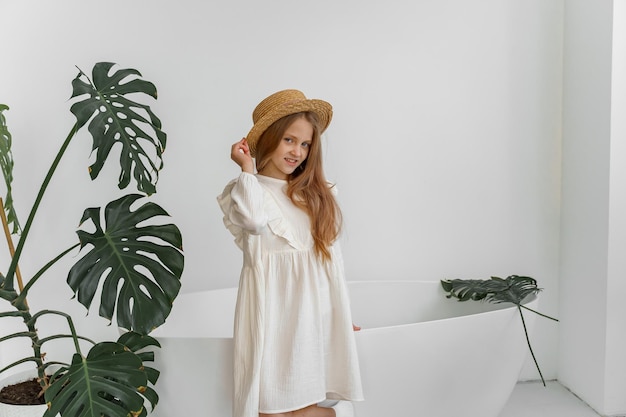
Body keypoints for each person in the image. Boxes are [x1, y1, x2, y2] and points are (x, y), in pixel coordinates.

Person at [217, 89, 364, 417]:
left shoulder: (316, 196)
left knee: (305, 406)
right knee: (269, 410)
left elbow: (331, 264)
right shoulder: (245, 190)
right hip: (271, 320)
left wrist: (341, 316)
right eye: (288, 140)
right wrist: (246, 168)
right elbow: (254, 221)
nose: (297, 151)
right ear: (268, 139)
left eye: (305, 144)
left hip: (311, 318)